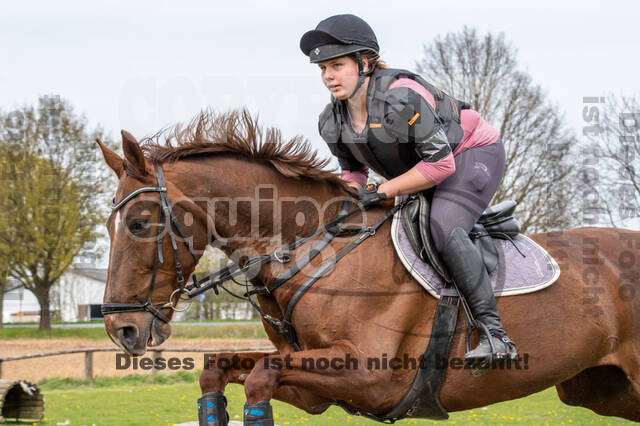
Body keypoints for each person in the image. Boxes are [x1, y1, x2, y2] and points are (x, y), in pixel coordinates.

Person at [300, 14, 517, 364]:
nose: (328, 76)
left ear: (365, 62)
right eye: (323, 68)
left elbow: (440, 166)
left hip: (469, 156)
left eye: (337, 65)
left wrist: (383, 191)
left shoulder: (403, 97)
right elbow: (353, 175)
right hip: (422, 170)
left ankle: (495, 334)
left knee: (443, 225)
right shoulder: (332, 120)